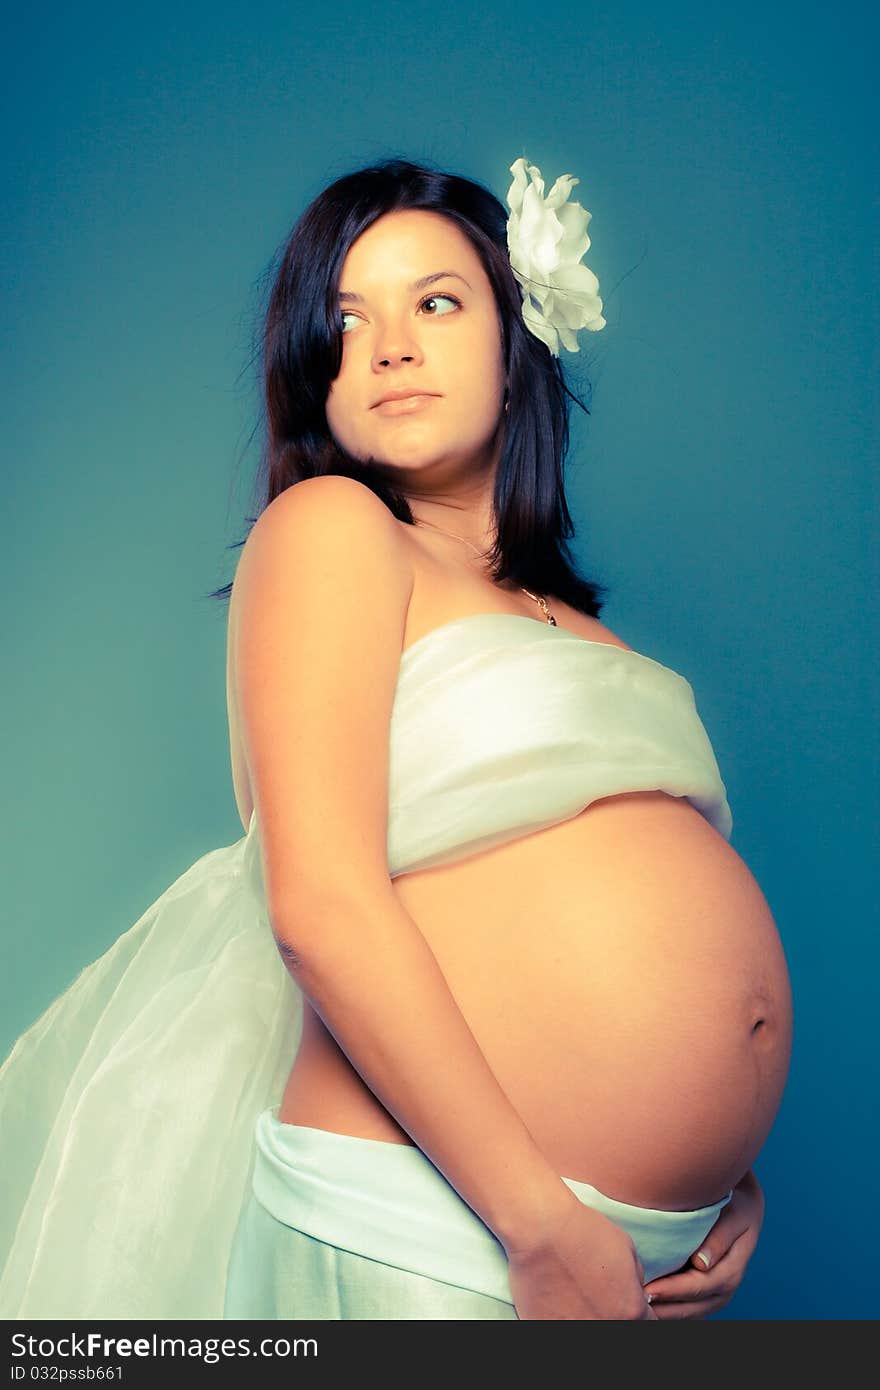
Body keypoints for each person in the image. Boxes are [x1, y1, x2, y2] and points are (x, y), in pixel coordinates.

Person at [0, 154, 790, 1322]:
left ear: (517, 350)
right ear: (315, 379)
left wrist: (720, 1174)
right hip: (449, 1225)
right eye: (346, 319)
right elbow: (318, 903)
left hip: (612, 1245)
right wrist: (539, 1222)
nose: (390, 346)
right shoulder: (334, 531)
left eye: (435, 301)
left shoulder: (579, 628)